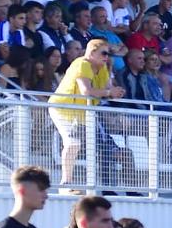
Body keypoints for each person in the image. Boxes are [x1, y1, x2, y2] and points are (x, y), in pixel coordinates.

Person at [48, 39, 127, 189]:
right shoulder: (82, 63)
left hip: (83, 113)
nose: (106, 57)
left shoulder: (103, 67)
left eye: (108, 53)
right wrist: (109, 92)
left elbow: (107, 89)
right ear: (91, 53)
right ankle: (66, 181)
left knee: (102, 145)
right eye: (103, 53)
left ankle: (103, 186)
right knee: (73, 142)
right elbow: (86, 91)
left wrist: (116, 92)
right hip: (63, 108)